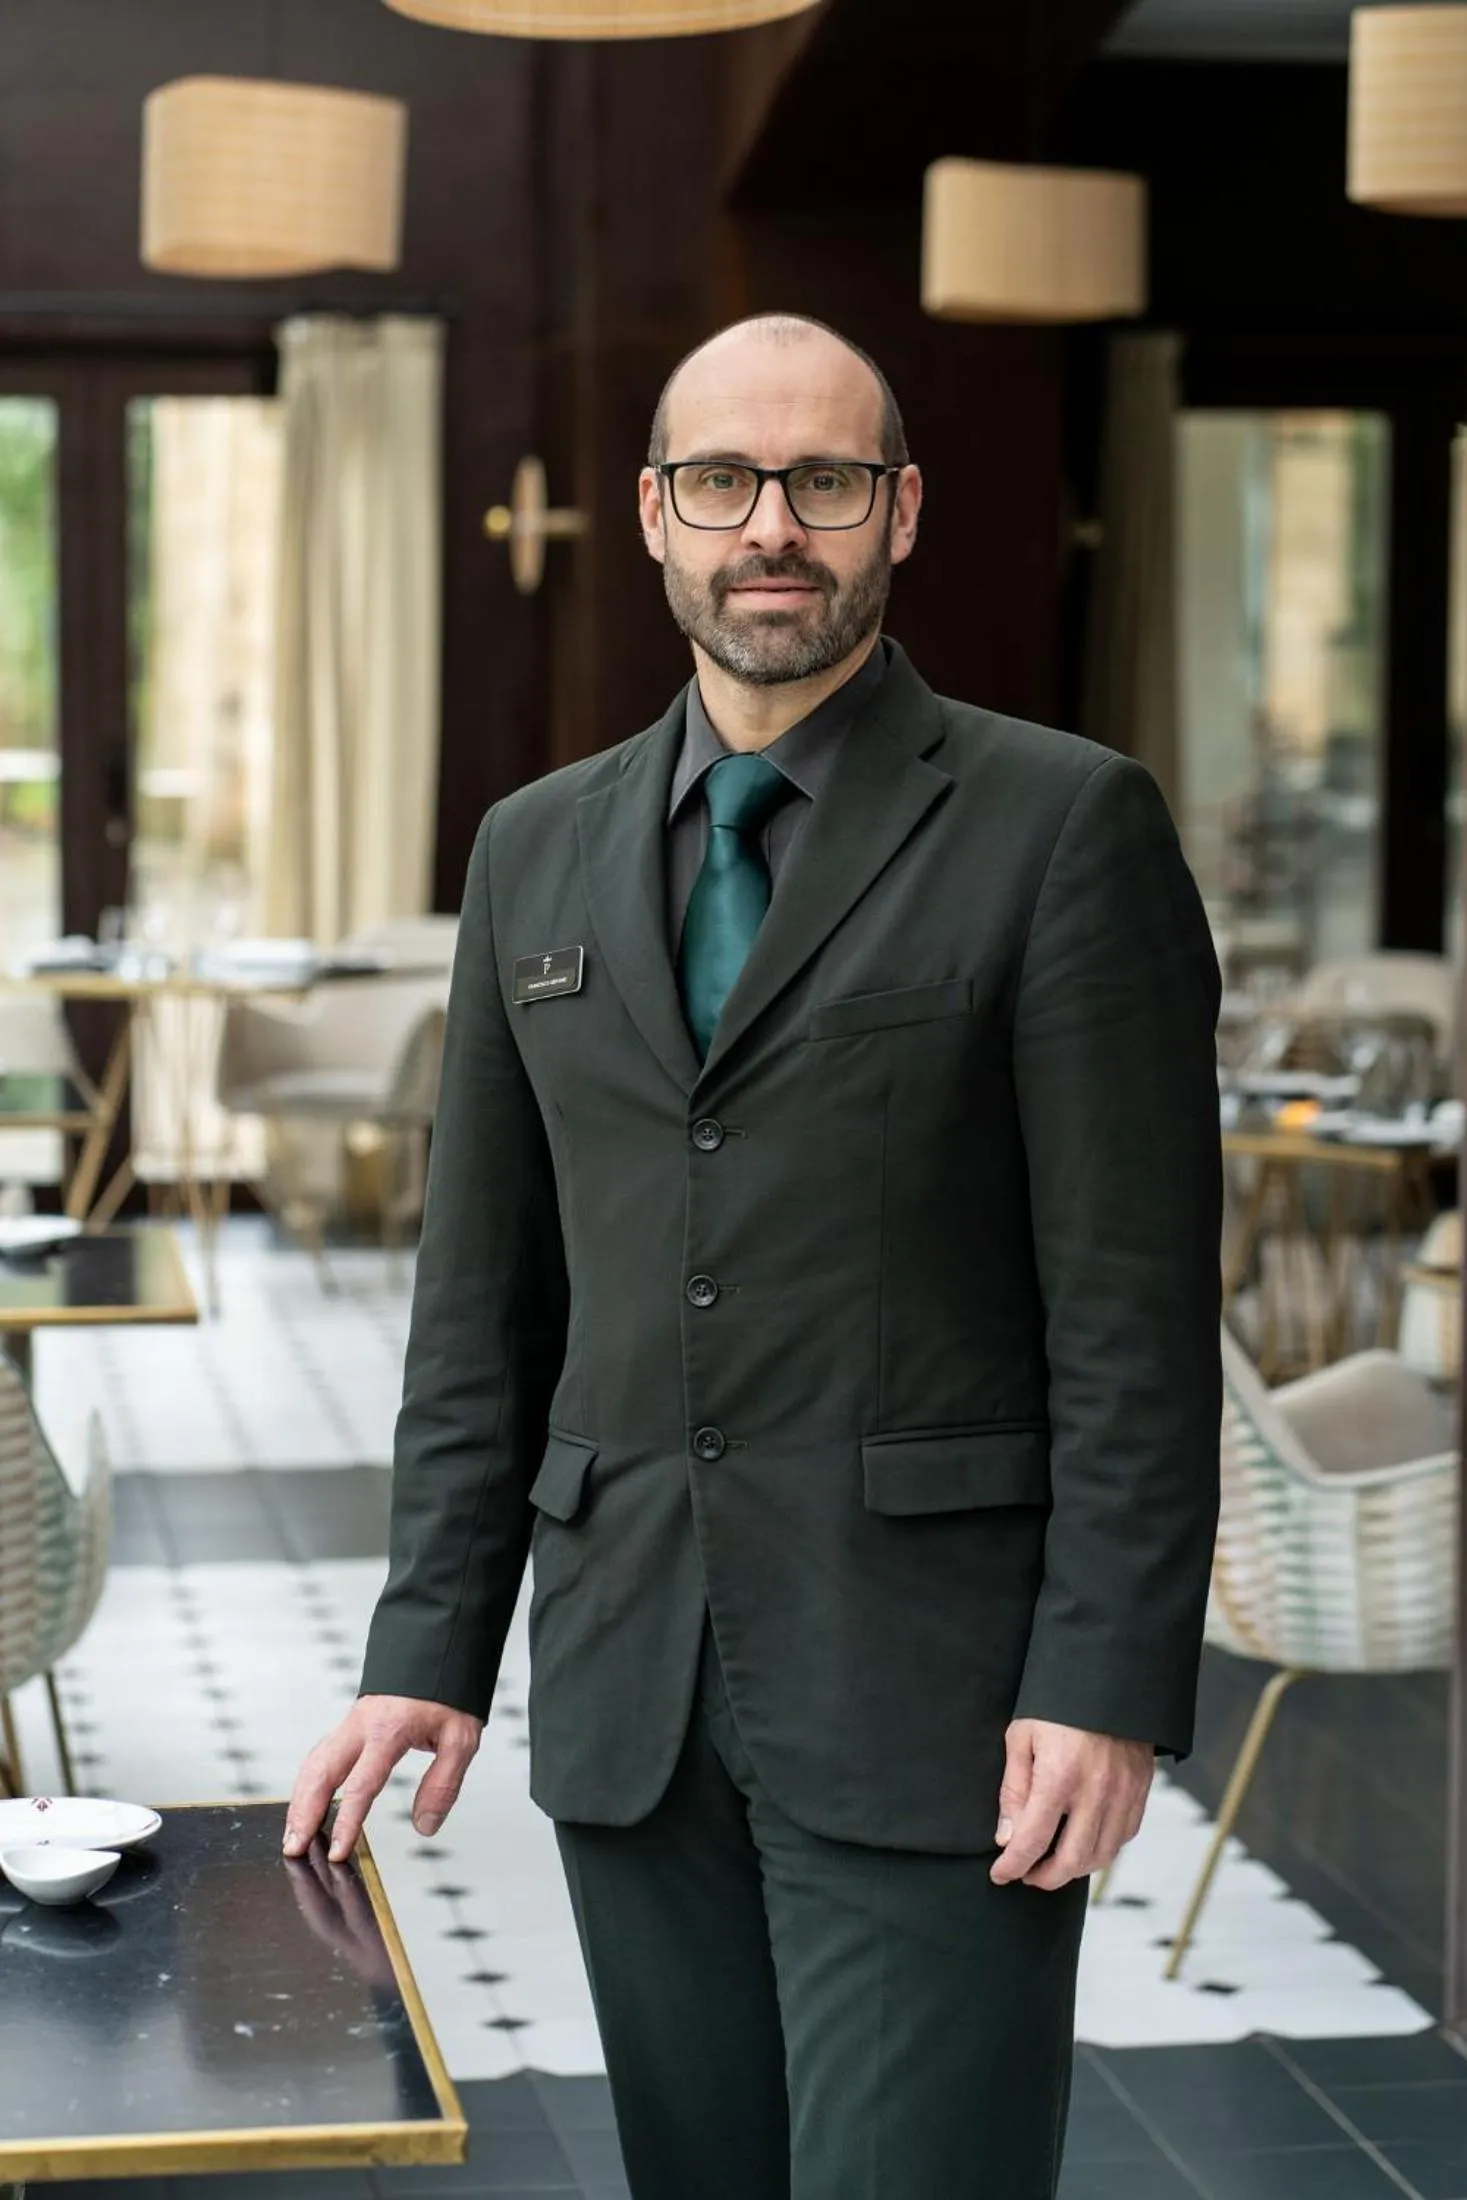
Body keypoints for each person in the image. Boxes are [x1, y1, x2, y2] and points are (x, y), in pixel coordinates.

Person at [286, 313, 1222, 2200]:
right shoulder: (530, 854)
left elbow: (1130, 1311)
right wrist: (426, 1646)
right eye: (722, 481)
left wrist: (1106, 1678)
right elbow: (482, 1306)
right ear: (653, 514)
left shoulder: (1060, 826)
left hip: (939, 1700)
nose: (768, 528)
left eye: (822, 482)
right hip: (633, 1684)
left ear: (900, 511)